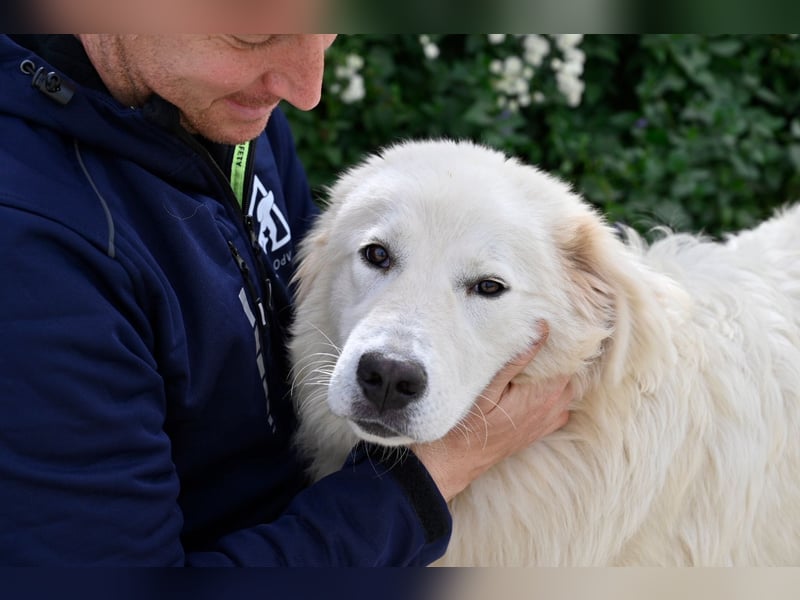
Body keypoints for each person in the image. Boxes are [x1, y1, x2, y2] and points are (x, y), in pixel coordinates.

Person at [0, 34, 572, 566]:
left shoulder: (224, 104)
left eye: (323, 35)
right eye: (254, 37)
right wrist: (420, 487)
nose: (304, 89)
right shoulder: (34, 248)